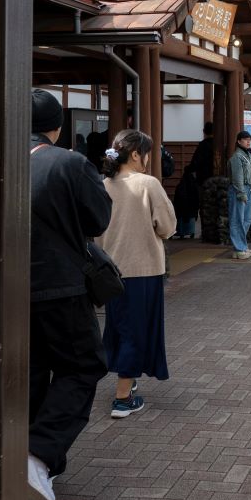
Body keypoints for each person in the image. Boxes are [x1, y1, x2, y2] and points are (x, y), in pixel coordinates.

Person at [27, 89, 113, 500]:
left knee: (29, 372)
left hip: (5, 288)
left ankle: (27, 461)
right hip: (61, 287)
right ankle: (37, 456)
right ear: (57, 127)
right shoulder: (69, 162)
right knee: (83, 367)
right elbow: (98, 219)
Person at [96, 129, 176, 420]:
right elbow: (167, 226)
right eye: (147, 153)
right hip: (142, 269)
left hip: (109, 271)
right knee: (137, 330)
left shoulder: (103, 184)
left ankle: (126, 378)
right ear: (135, 154)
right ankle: (122, 397)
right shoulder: (148, 184)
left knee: (118, 327)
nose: (148, 159)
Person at [226, 130, 251, 259]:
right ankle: (239, 248)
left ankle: (239, 246)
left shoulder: (248, 155)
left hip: (249, 188)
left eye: (249, 139)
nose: (248, 141)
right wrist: (241, 193)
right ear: (239, 141)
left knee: (247, 219)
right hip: (239, 189)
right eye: (245, 139)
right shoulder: (236, 157)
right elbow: (237, 178)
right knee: (237, 219)